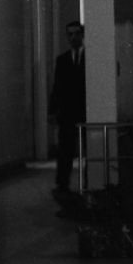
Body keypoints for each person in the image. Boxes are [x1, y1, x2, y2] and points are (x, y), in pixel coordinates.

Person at [49, 19, 86, 196]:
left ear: (82, 34)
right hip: (68, 112)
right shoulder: (62, 60)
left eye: (76, 33)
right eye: (70, 34)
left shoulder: (89, 58)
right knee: (65, 150)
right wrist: (52, 110)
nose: (73, 38)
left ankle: (89, 183)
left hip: (85, 111)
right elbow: (57, 86)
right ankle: (62, 184)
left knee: (88, 148)